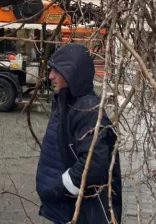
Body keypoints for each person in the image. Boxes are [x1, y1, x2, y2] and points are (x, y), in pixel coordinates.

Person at [35, 44, 122, 224]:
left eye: (56, 71)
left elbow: (94, 164)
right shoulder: (66, 102)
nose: (50, 76)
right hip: (63, 208)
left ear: (71, 73)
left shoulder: (87, 110)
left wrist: (60, 188)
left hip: (75, 209)